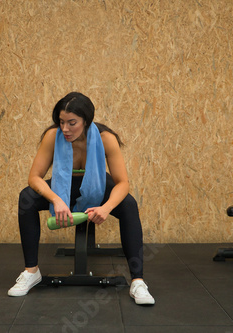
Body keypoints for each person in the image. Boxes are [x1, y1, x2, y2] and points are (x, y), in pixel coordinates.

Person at [8, 92, 155, 305]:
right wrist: (56, 199)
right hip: (63, 185)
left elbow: (122, 183)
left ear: (86, 121)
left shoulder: (106, 139)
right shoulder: (52, 136)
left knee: (129, 204)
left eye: (72, 123)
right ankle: (31, 272)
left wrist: (106, 207)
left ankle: (138, 281)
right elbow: (34, 178)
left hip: (97, 184)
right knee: (26, 198)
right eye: (61, 122)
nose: (65, 129)